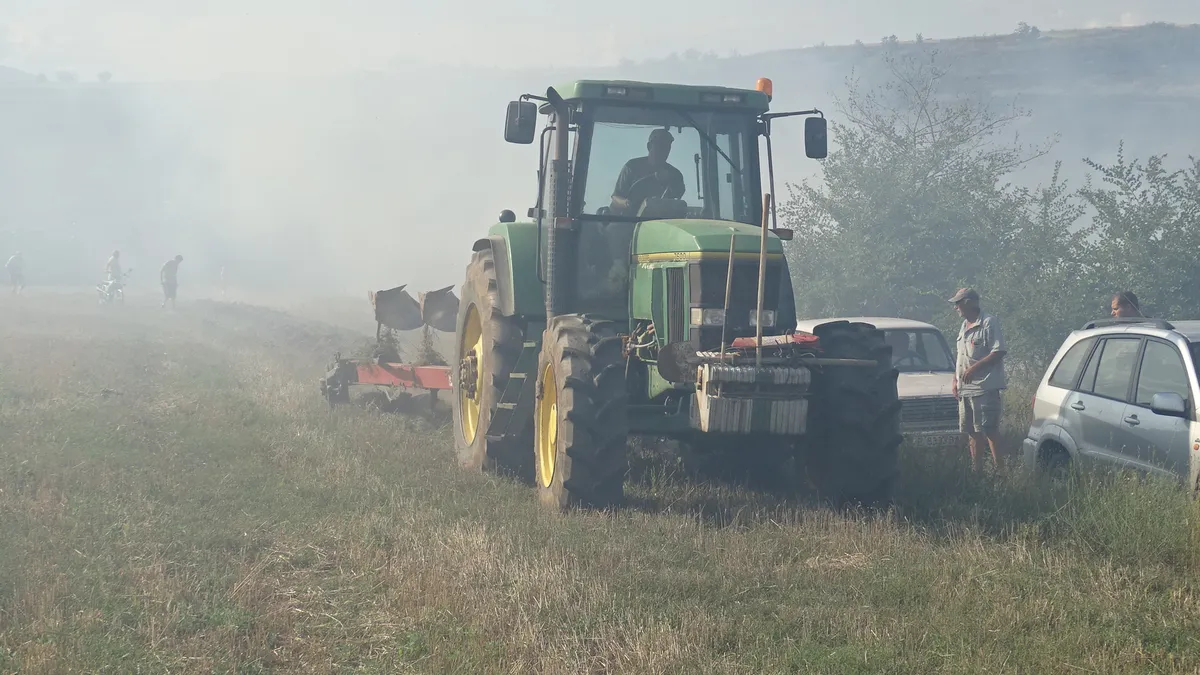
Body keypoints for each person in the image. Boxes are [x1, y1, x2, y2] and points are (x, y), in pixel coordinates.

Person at [949, 287, 1007, 472]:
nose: (956, 307)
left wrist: (975, 369)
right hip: (966, 389)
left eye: (958, 303)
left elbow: (998, 351)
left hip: (985, 387)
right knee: (972, 432)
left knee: (989, 429)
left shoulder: (989, 322)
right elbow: (961, 357)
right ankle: (977, 471)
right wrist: (955, 381)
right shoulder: (964, 326)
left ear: (968, 302)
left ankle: (1000, 471)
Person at [609, 128, 686, 215]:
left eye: (667, 148)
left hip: (662, 221)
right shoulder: (631, 167)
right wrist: (627, 203)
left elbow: (678, 197)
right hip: (630, 221)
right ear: (649, 146)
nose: (664, 151)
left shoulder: (675, 175)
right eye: (660, 146)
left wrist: (669, 184)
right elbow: (616, 197)